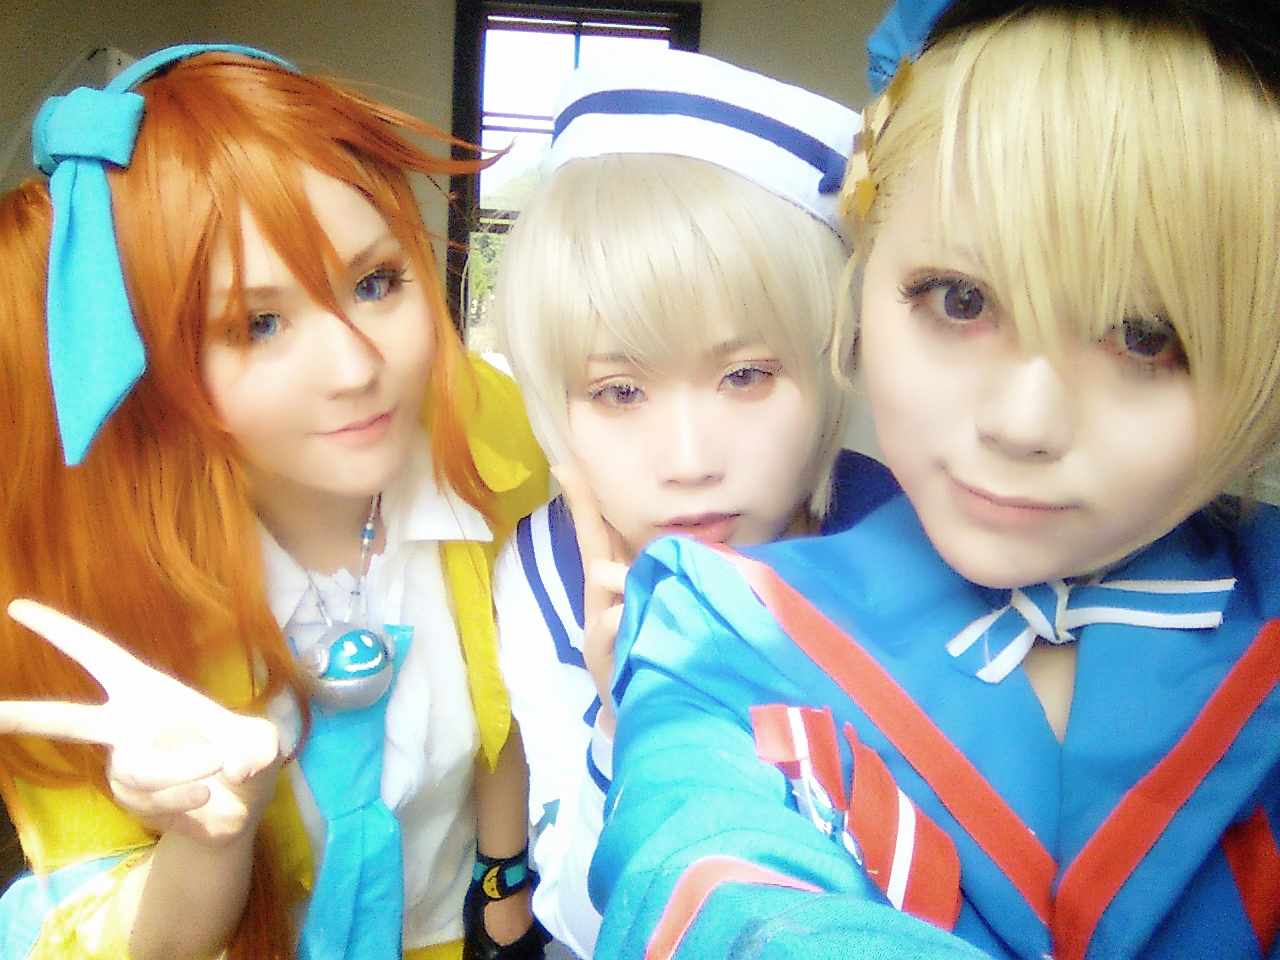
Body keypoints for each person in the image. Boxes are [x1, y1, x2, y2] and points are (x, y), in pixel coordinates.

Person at [589, 3, 1280, 959]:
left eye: (1144, 336)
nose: (1023, 423)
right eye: (962, 299)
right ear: (865, 273)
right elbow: (702, 871)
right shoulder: (725, 626)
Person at [0, 44, 550, 960]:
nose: (356, 368)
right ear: (146, 358)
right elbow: (96, 931)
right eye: (258, 324)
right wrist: (210, 834)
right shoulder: (80, 593)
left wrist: (504, 900)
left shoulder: (495, 443)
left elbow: (518, 702)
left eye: (375, 282)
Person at [490, 50, 899, 958]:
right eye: (619, 391)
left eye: (745, 375)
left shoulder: (909, 539)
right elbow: (584, 922)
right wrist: (621, 716)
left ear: (830, 353)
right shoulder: (549, 576)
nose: (687, 463)